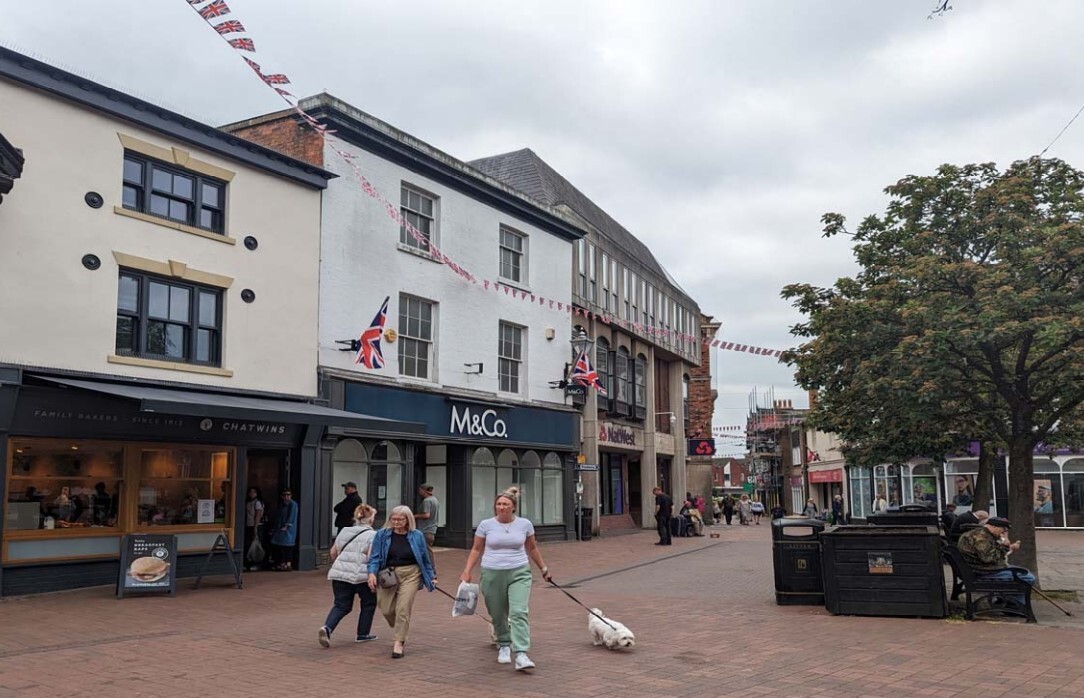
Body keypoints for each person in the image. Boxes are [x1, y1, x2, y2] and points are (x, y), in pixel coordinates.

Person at [459, 487, 551, 672]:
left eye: (506, 504)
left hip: (519, 572)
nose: (502, 507)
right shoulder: (486, 525)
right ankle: (503, 644)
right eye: (499, 504)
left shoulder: (525, 524)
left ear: (513, 507)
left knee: (518, 611)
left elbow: (532, 548)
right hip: (491, 573)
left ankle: (522, 653)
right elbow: (476, 549)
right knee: (498, 613)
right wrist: (467, 571)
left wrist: (543, 568)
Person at [366, 505, 436, 659]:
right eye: (393, 519)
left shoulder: (417, 535)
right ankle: (399, 626)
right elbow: (374, 557)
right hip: (388, 574)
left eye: (400, 519)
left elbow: (425, 558)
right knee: (386, 609)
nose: (396, 522)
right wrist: (371, 573)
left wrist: (431, 575)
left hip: (411, 573)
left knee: (403, 608)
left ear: (408, 520)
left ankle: (399, 642)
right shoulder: (382, 535)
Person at [319, 504, 380, 648]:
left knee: (341, 605)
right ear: (371, 519)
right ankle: (362, 633)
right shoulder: (373, 535)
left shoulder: (344, 531)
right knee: (368, 603)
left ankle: (327, 628)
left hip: (340, 574)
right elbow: (372, 557)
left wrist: (340, 566)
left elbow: (333, 552)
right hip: (362, 575)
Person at [956, 516, 1035, 605]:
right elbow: (988, 558)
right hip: (981, 573)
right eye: (1003, 529)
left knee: (1023, 572)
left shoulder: (982, 534)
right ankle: (1014, 603)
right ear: (994, 527)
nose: (1004, 533)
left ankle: (1012, 601)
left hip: (979, 569)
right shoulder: (980, 537)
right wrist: (1005, 547)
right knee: (1028, 577)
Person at [414, 483, 440, 574]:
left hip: (426, 530)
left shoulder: (427, 501)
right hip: (431, 530)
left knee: (427, 551)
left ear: (423, 490)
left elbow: (426, 515)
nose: (419, 492)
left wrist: (415, 516)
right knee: (426, 550)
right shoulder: (435, 500)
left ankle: (431, 571)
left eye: (420, 490)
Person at [270, 488, 298, 571]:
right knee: (279, 546)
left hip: (288, 530)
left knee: (287, 547)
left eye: (288, 495)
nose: (286, 497)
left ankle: (287, 564)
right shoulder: (282, 505)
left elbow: (292, 516)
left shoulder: (293, 504)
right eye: (284, 495)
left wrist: (287, 526)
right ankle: (281, 563)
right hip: (280, 528)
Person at [243, 487, 265, 572]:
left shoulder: (257, 502)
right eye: (250, 492)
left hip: (255, 526)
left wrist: (255, 528)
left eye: (254, 492)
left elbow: (258, 515)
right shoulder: (248, 502)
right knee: (248, 545)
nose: (252, 494)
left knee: (257, 545)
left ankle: (258, 564)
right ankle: (248, 563)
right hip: (248, 525)